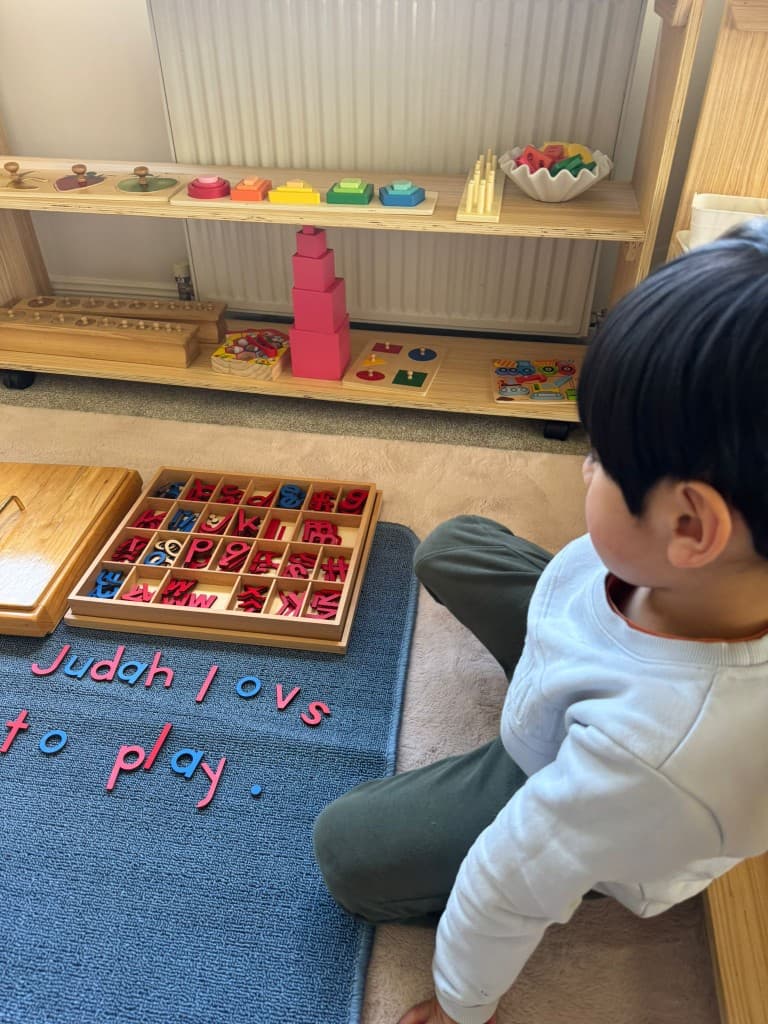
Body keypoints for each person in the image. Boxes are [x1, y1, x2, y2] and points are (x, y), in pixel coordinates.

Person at [313, 219, 768, 1024]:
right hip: (597, 643)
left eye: (602, 459)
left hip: (567, 752)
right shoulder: (697, 566)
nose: (583, 465)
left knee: (347, 853)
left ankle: (585, 870)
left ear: (691, 528)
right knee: (450, 547)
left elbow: (509, 881)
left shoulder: (647, 759)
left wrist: (464, 1004)